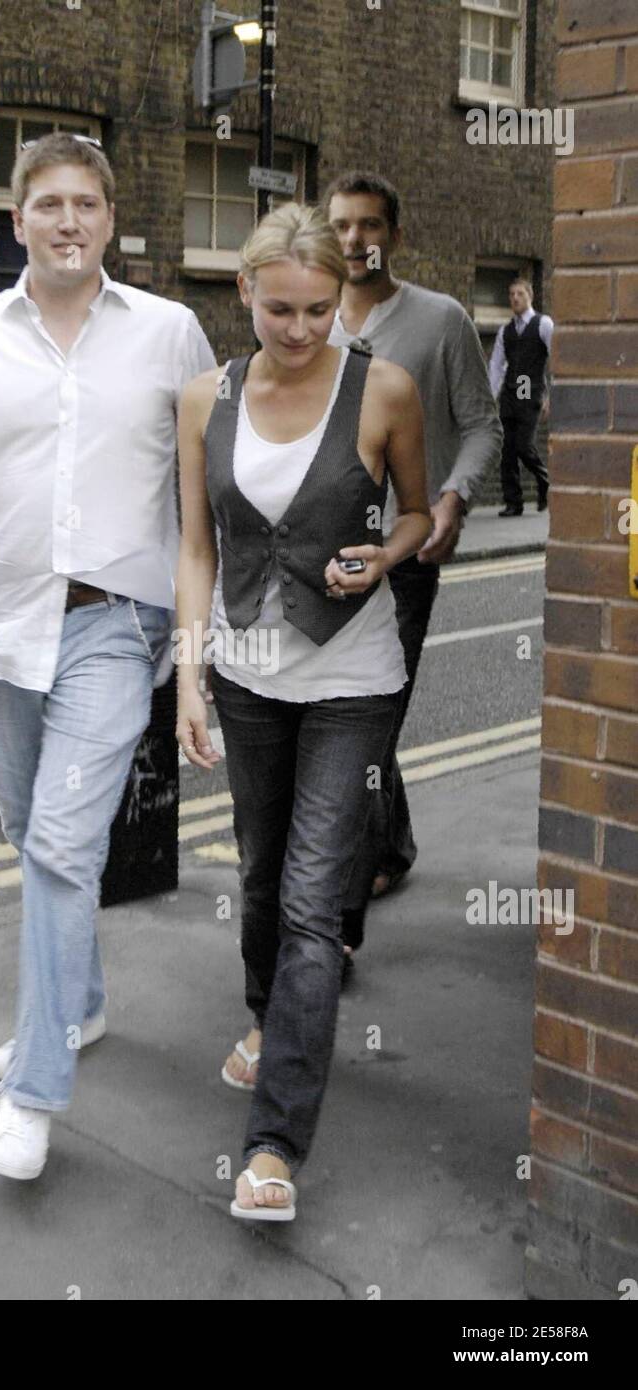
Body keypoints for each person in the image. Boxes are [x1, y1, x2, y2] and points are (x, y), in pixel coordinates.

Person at [0, 132, 215, 1180]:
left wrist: (207, 638)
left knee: (64, 849)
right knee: (32, 835)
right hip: (3, 630)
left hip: (117, 624)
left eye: (85, 204)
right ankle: (82, 1000)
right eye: (46, 204)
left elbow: (218, 478)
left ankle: (31, 1092)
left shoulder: (168, 333)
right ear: (16, 218)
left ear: (109, 221)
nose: (67, 221)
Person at [175, 203, 431, 1220]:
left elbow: (417, 512)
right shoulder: (202, 398)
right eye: (278, 309)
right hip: (243, 678)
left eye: (318, 310)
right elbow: (195, 547)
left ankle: (274, 1144)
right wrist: (188, 676)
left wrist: (386, 551)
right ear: (243, 293)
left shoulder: (385, 391)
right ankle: (264, 1016)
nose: (297, 329)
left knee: (312, 905)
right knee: (259, 878)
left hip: (350, 682)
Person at [325, 171, 502, 947]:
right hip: (326, 550)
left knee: (364, 723)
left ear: (393, 234)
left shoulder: (440, 320)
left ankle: (331, 925)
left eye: (369, 226)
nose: (355, 241)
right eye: (341, 227)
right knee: (344, 713)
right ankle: (389, 845)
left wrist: (453, 498)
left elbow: (481, 425)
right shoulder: (308, 320)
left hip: (407, 552)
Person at [488, 277, 552, 517]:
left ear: (530, 296)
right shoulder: (505, 331)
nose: (515, 298)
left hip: (532, 394)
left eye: (520, 294)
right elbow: (495, 366)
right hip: (510, 396)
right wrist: (489, 399)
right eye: (511, 294)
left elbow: (557, 357)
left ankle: (544, 481)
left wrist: (552, 396)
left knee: (524, 446)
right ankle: (513, 502)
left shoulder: (544, 324)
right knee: (507, 451)